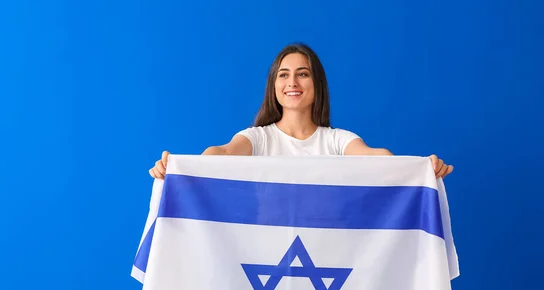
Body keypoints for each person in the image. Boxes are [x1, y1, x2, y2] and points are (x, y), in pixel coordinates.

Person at [149, 43, 454, 180]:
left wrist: (421, 168)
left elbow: (377, 157)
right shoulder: (258, 139)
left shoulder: (336, 141)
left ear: (316, 84)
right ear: (274, 86)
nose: (292, 82)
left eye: (302, 74)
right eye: (283, 74)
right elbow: (223, 153)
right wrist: (177, 169)